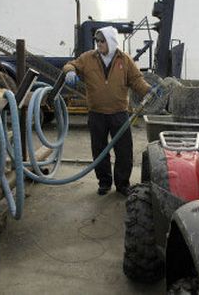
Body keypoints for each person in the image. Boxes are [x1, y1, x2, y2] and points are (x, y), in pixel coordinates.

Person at [63, 26, 150, 196]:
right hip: (97, 114)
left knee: (124, 151)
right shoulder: (88, 58)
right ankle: (104, 182)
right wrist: (70, 72)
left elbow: (137, 80)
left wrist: (149, 90)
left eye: (102, 41)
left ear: (111, 41)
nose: (99, 44)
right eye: (97, 41)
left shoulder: (124, 60)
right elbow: (70, 65)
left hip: (119, 113)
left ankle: (122, 184)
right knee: (100, 151)